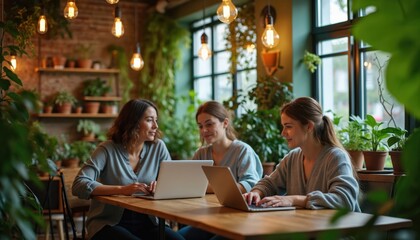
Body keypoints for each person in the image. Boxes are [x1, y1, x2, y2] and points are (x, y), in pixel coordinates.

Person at [72, 99, 185, 240]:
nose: (156, 126)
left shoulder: (158, 147)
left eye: (156, 120)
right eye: (150, 120)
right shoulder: (107, 149)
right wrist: (122, 189)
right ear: (133, 122)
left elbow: (173, 183)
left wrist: (161, 186)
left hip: (151, 223)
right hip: (109, 224)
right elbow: (79, 184)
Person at [244, 97, 361, 212]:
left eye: (288, 126)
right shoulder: (292, 157)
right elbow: (270, 183)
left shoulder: (336, 157)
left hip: (343, 230)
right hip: (310, 226)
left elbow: (345, 200)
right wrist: (256, 193)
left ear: (309, 126)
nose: (283, 133)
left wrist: (295, 199)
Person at [178, 100, 263, 240]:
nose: (204, 130)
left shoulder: (242, 150)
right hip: (208, 217)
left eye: (209, 124)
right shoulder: (201, 153)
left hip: (237, 220)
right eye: (200, 126)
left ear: (225, 123)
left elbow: (250, 185)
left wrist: (206, 187)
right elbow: (191, 185)